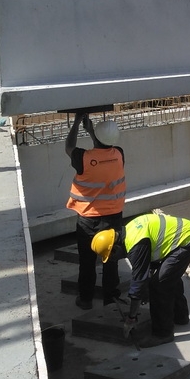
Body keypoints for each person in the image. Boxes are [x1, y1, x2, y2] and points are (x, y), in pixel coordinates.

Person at [92, 209, 190, 347]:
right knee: (168, 276)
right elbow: (147, 267)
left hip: (187, 240)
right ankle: (180, 317)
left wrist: (131, 318)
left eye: (111, 257)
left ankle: (163, 333)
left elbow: (138, 283)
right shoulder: (128, 231)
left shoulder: (135, 245)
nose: (114, 260)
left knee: (159, 285)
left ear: (115, 247)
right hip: (184, 234)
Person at [65, 112, 125, 310]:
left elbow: (69, 147)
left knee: (87, 261)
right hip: (114, 218)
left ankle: (85, 299)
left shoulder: (83, 158)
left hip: (88, 219)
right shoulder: (119, 154)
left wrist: (75, 123)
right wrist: (93, 132)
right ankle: (111, 299)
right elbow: (104, 149)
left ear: (97, 138)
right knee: (111, 260)